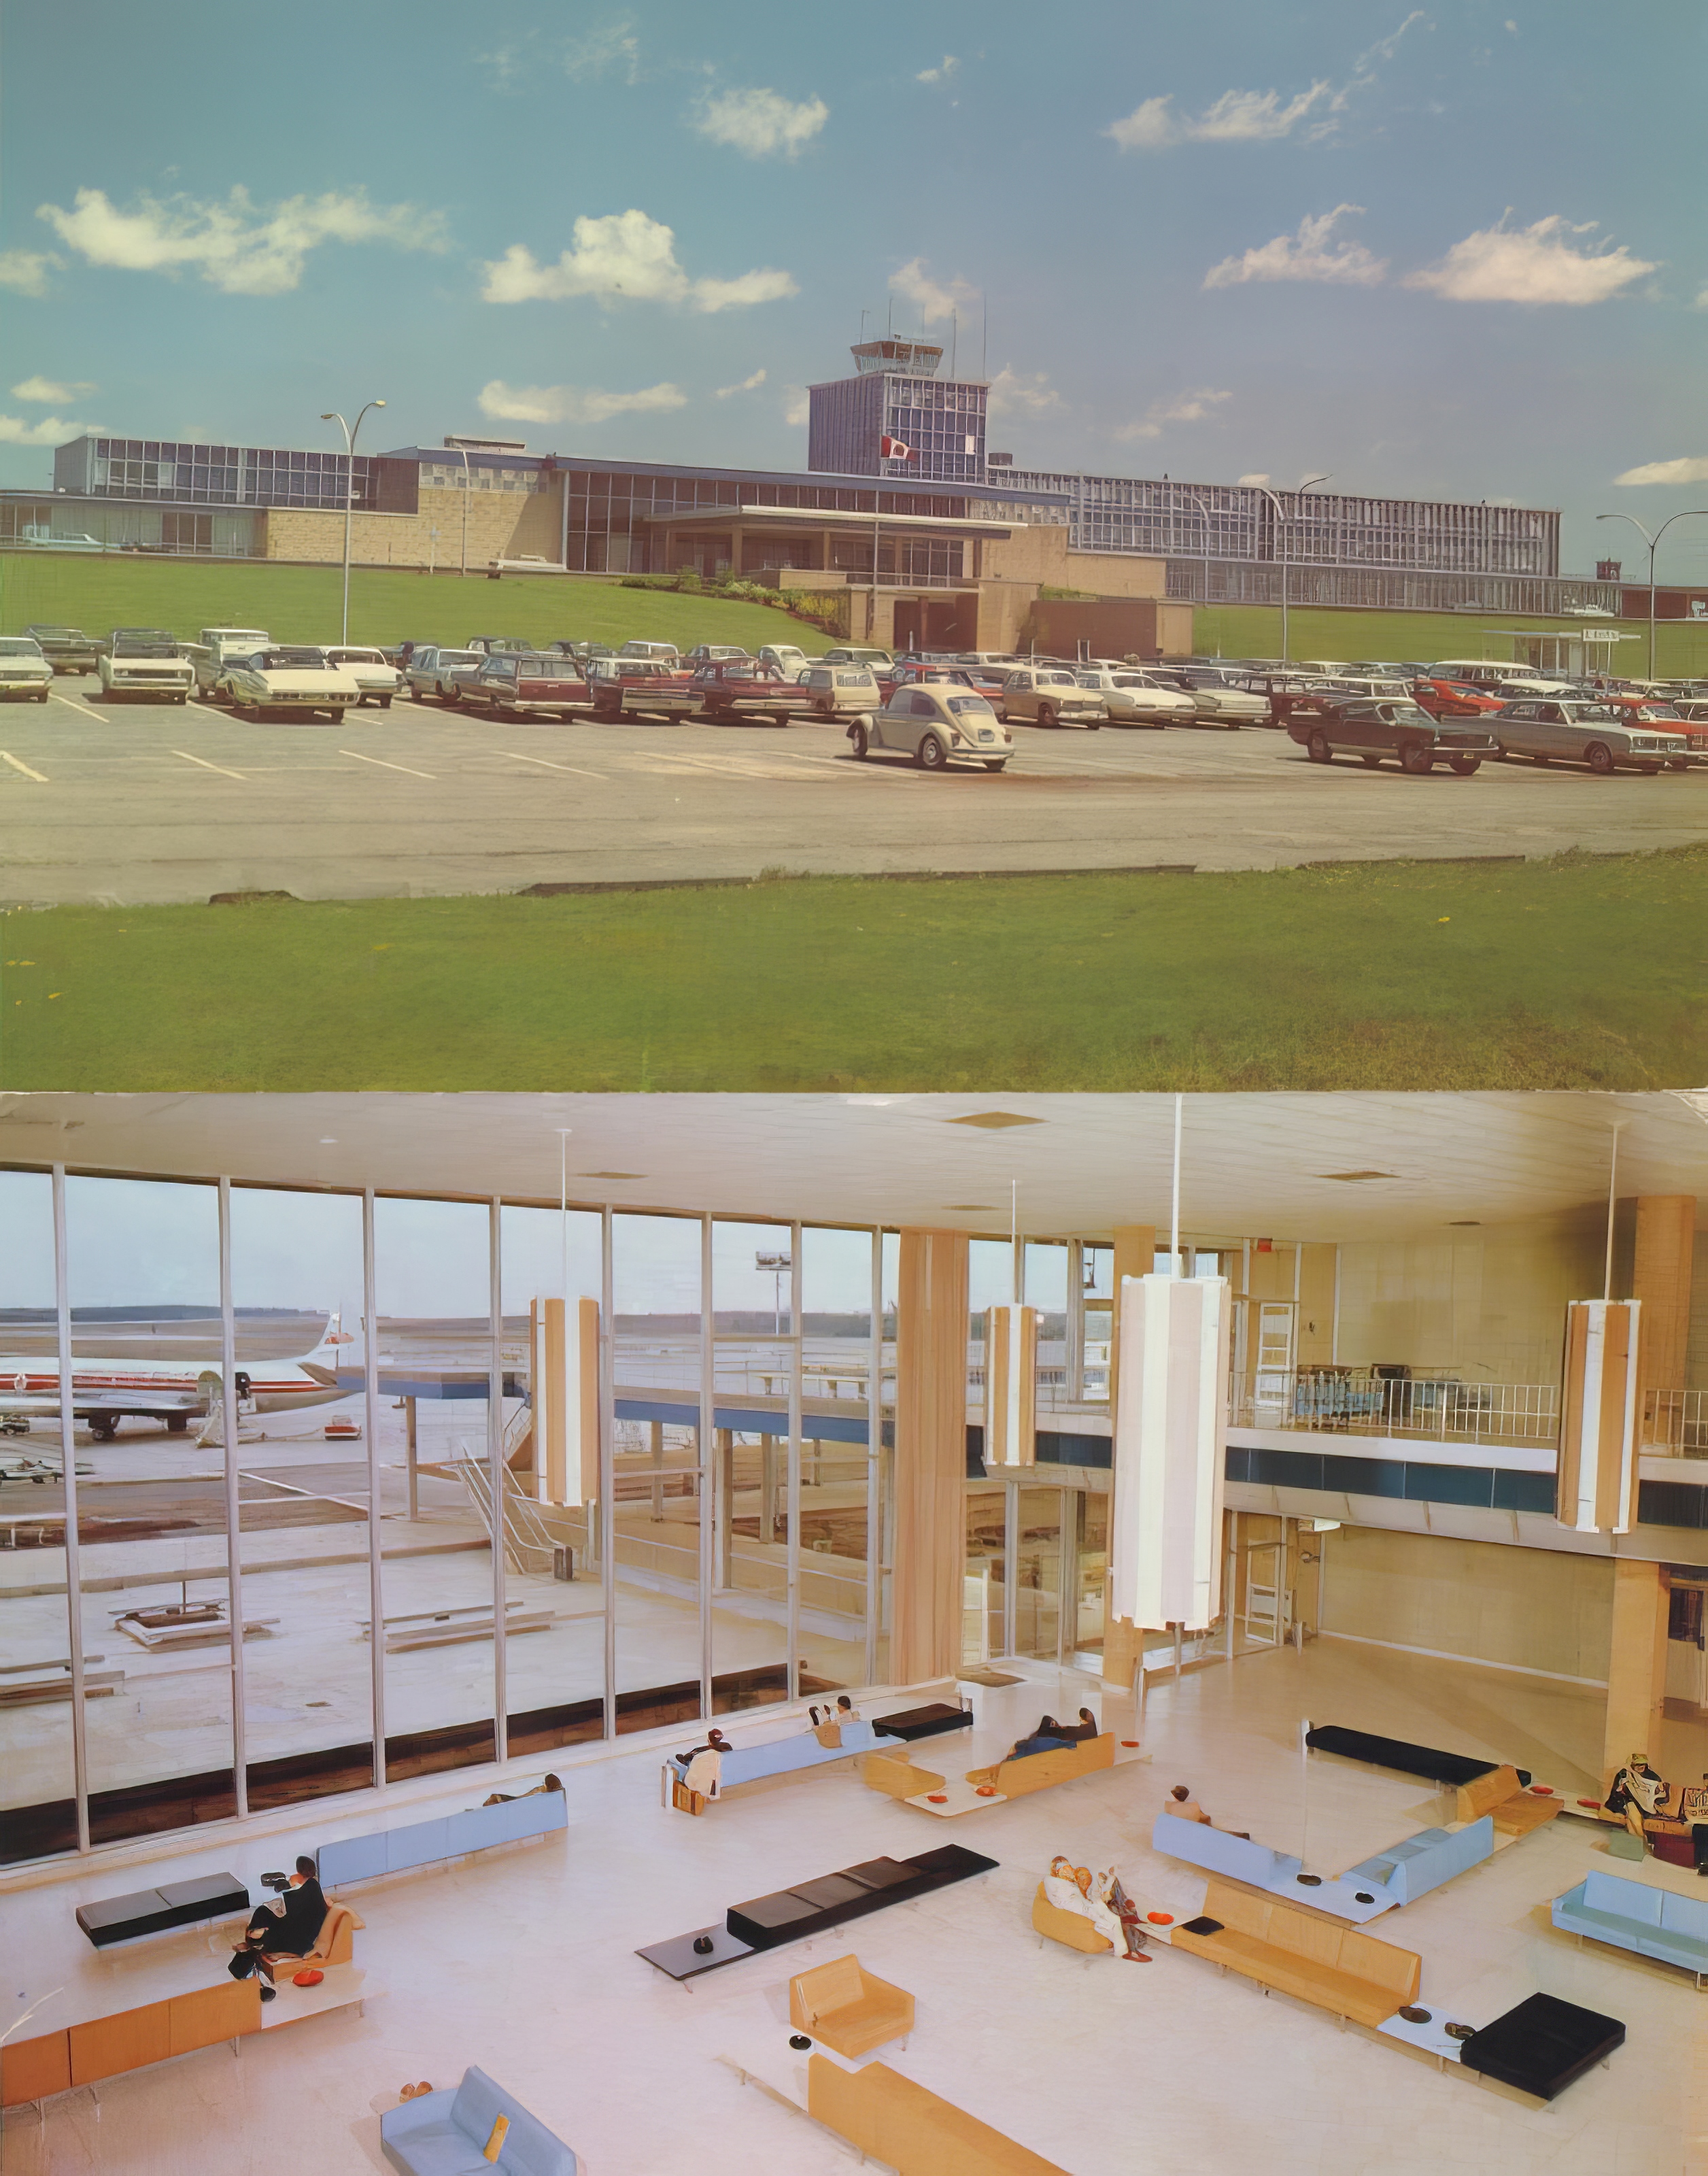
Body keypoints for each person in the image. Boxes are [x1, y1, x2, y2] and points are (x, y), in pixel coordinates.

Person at [229, 1856, 327, 1998]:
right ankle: (255, 1941)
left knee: (264, 1912)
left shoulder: (305, 1888)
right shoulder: (313, 1887)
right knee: (266, 1912)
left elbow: (295, 1912)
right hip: (299, 1934)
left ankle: (255, 1941)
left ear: (300, 1871)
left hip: (295, 1939)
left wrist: (287, 1892)